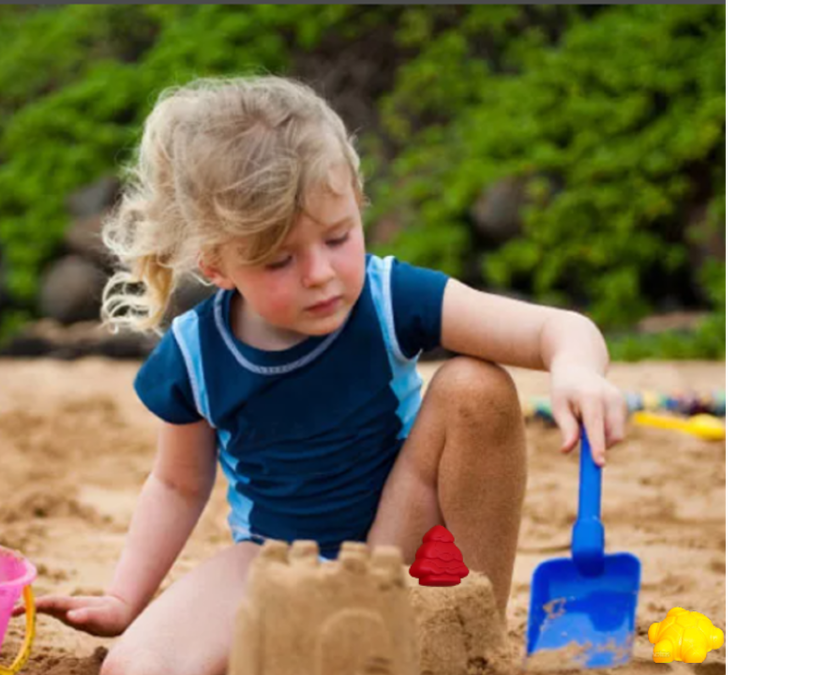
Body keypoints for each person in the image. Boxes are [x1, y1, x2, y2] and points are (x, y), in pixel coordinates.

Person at [37, 75, 628, 675]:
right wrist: (122, 600)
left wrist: (577, 370)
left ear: (357, 202)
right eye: (279, 260)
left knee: (477, 386)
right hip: (274, 562)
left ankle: (468, 637)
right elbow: (176, 486)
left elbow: (557, 329)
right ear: (217, 265)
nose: (321, 274)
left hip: (396, 544)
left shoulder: (387, 295)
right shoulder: (195, 354)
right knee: (137, 668)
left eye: (338, 237)